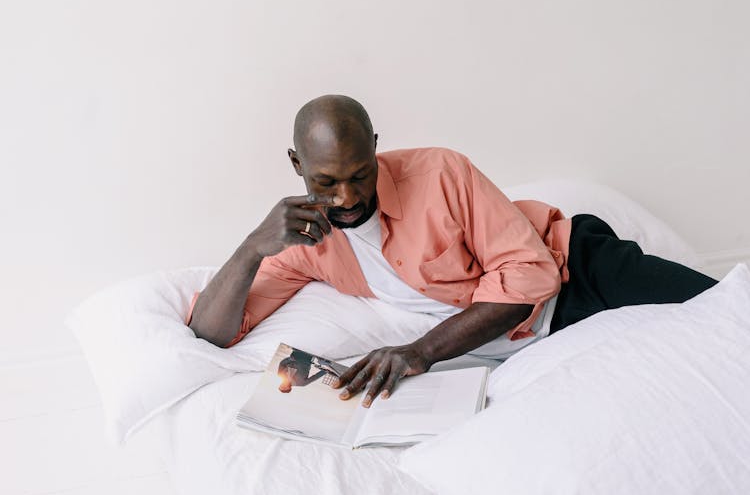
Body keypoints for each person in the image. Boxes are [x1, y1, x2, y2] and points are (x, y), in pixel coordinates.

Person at [188, 94, 715, 407]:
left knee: (725, 313)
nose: (347, 198)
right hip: (525, 347)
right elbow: (211, 333)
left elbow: (531, 275)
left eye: (360, 175)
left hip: (579, 266)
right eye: (326, 180)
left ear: (375, 148)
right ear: (296, 165)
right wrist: (252, 249)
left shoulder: (439, 172)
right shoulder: (302, 241)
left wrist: (420, 352)